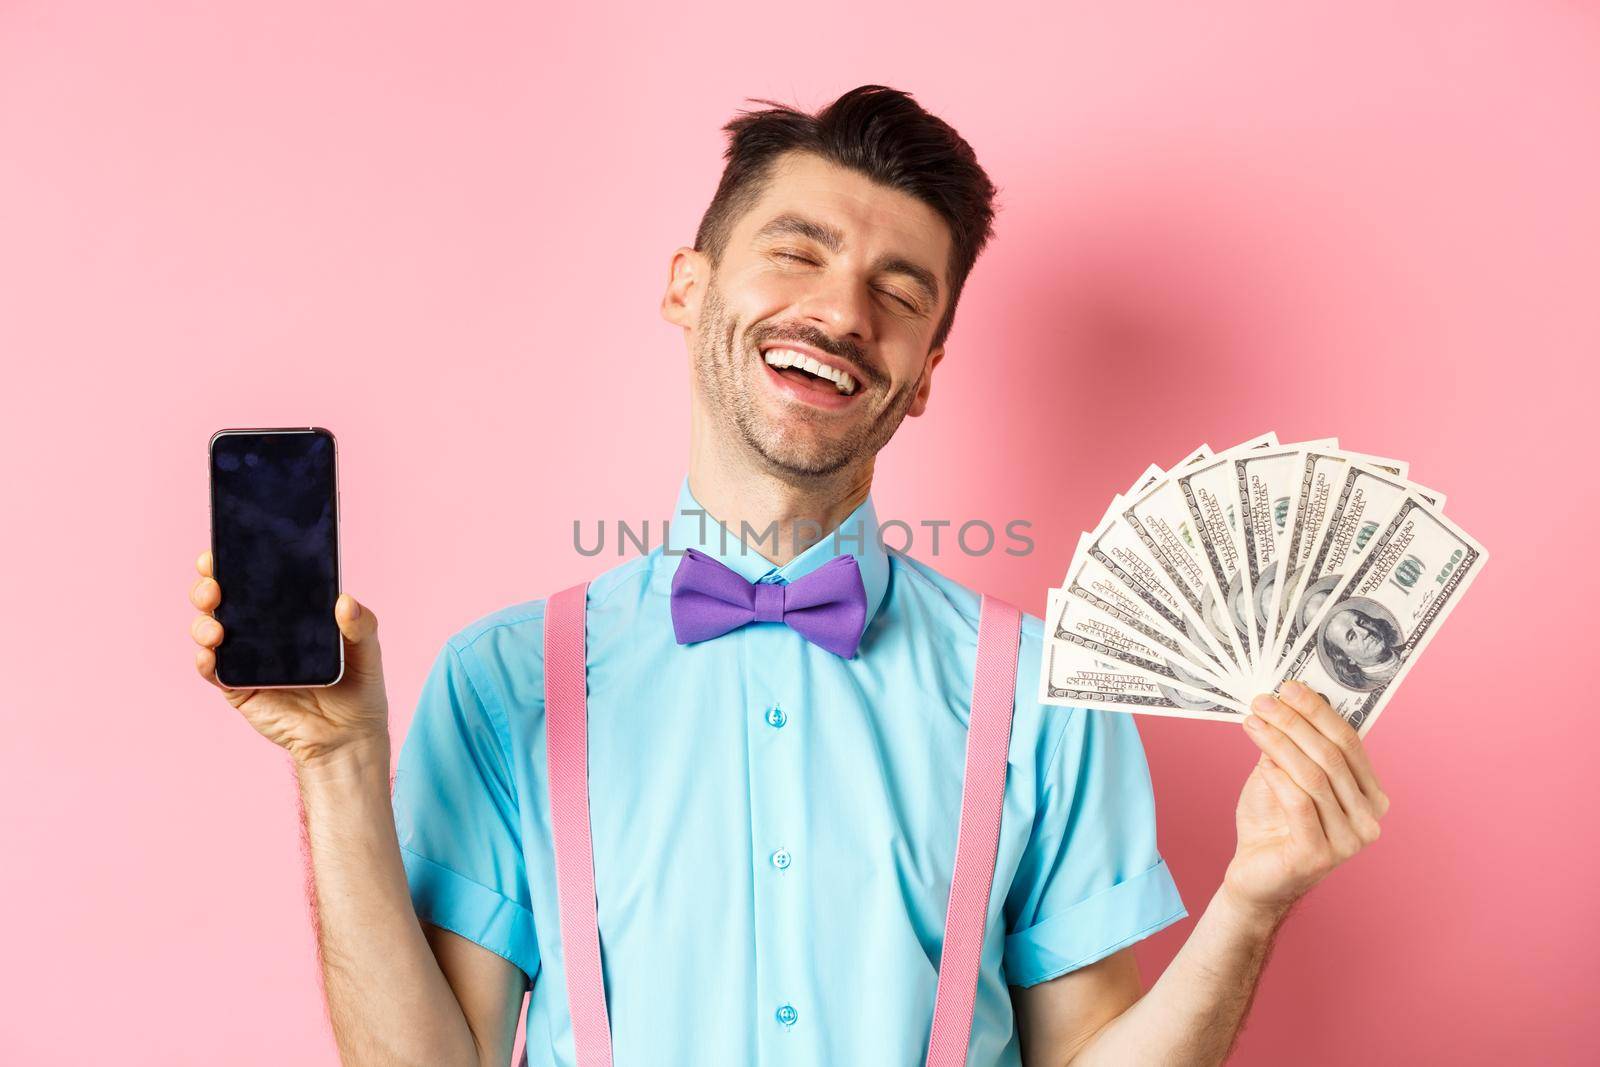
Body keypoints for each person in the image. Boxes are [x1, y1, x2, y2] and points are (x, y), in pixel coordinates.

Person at [188, 85, 1390, 1067]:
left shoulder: (1045, 689)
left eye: (899, 292)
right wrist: (340, 765)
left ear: (923, 373)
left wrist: (1252, 898)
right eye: (796, 252)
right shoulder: (501, 680)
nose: (839, 311)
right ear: (687, 287)